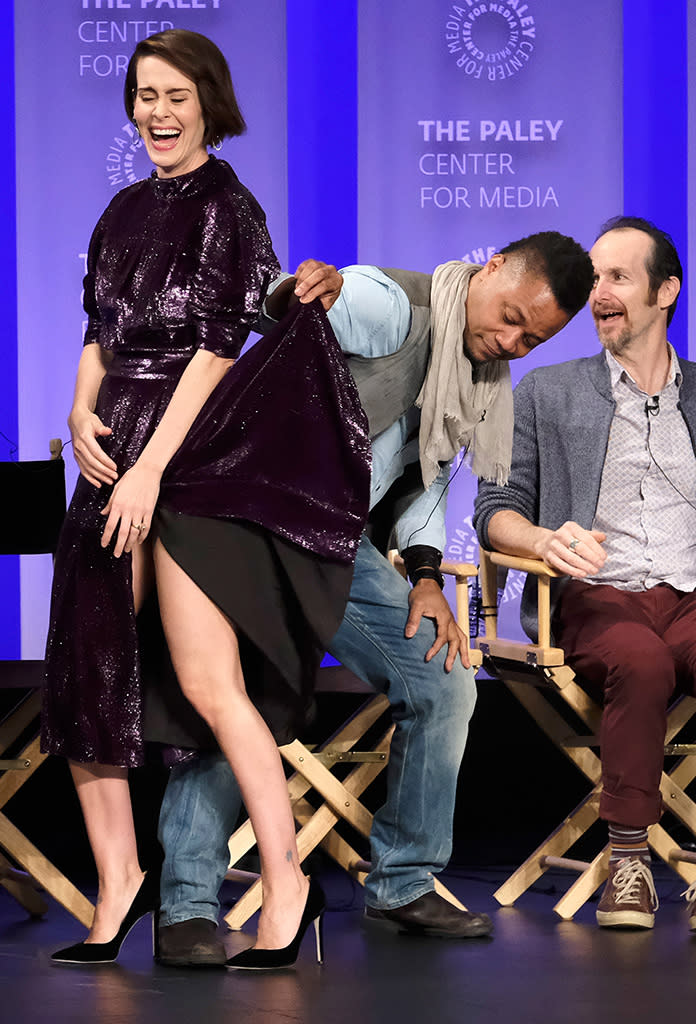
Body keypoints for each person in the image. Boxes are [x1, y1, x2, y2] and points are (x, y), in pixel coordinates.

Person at [155, 232, 596, 966]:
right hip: (254, 518)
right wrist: (296, 291)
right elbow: (297, 304)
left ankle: (402, 879)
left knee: (446, 679)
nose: (514, 342)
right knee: (241, 688)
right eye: (512, 316)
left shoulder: (480, 382)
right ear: (489, 270)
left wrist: (426, 573)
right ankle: (188, 904)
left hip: (338, 541)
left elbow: (423, 485)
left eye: (535, 338)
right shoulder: (394, 307)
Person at [41, 29, 371, 969]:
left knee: (209, 684)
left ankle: (287, 884)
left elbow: (222, 349)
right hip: (110, 453)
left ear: (208, 102)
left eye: (175, 95)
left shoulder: (229, 205)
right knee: (87, 668)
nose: (157, 111)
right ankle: (117, 891)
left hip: (194, 456)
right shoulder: (119, 210)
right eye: (144, 94)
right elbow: (98, 332)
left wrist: (152, 470)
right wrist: (77, 407)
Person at [474, 215, 696, 931]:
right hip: (601, 597)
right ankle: (629, 860)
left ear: (666, 292)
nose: (597, 293)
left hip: (689, 593)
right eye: (594, 278)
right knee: (641, 660)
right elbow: (494, 507)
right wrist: (542, 539)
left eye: (618, 278)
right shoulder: (547, 391)